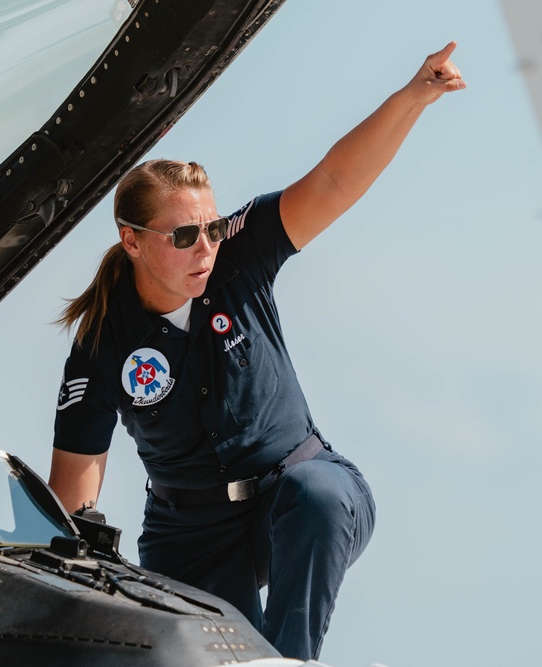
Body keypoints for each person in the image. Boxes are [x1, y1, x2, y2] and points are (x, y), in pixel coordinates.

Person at [48, 43, 465, 660]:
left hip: (299, 490)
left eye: (211, 230)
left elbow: (332, 180)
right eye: (184, 237)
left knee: (315, 504)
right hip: (189, 533)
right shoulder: (104, 338)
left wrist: (414, 98)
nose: (205, 249)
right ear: (131, 242)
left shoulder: (238, 257)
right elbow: (73, 492)